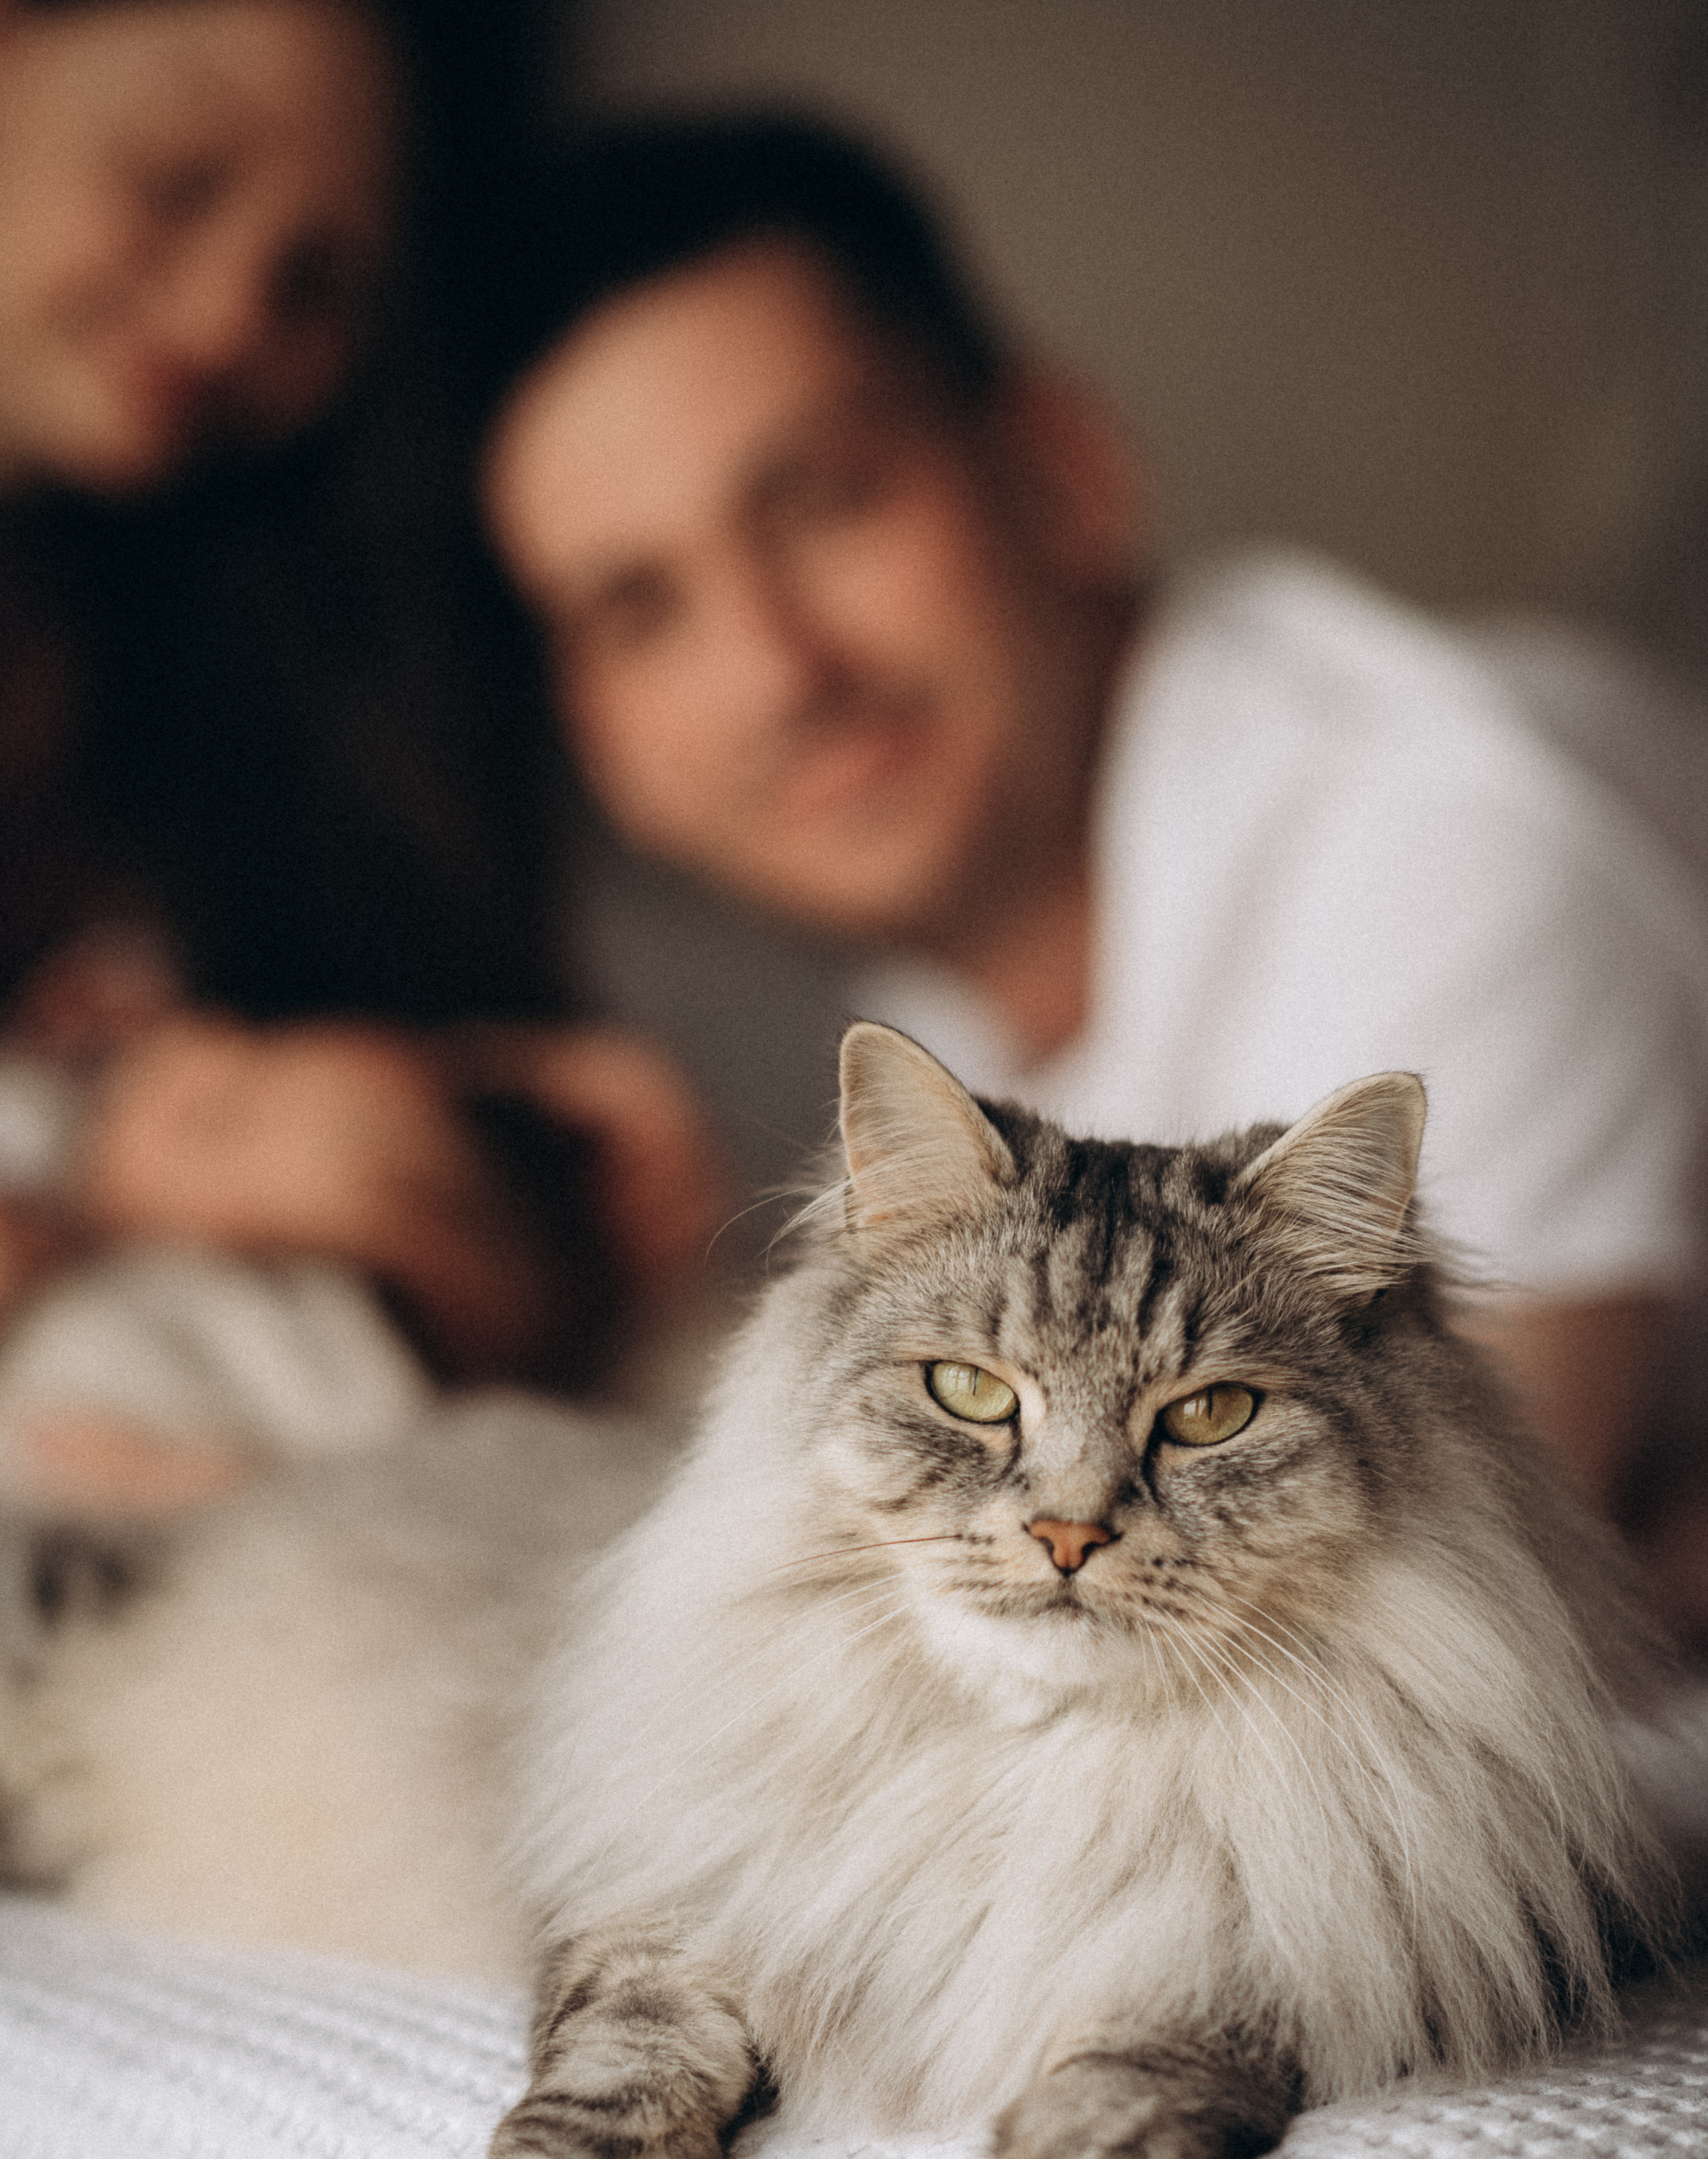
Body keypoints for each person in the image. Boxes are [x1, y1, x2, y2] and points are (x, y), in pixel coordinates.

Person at [476, 113, 1708, 1579]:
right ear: (594, 741)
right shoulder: (944, 1004)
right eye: (639, 611)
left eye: (826, 501)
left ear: (1061, 471)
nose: (774, 671)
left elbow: (1423, 1637)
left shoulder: (1444, 853)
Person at [0, 3, 722, 1507]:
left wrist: (459, 1143)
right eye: (180, 179)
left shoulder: (218, 676)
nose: (227, 317)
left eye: (320, 280)